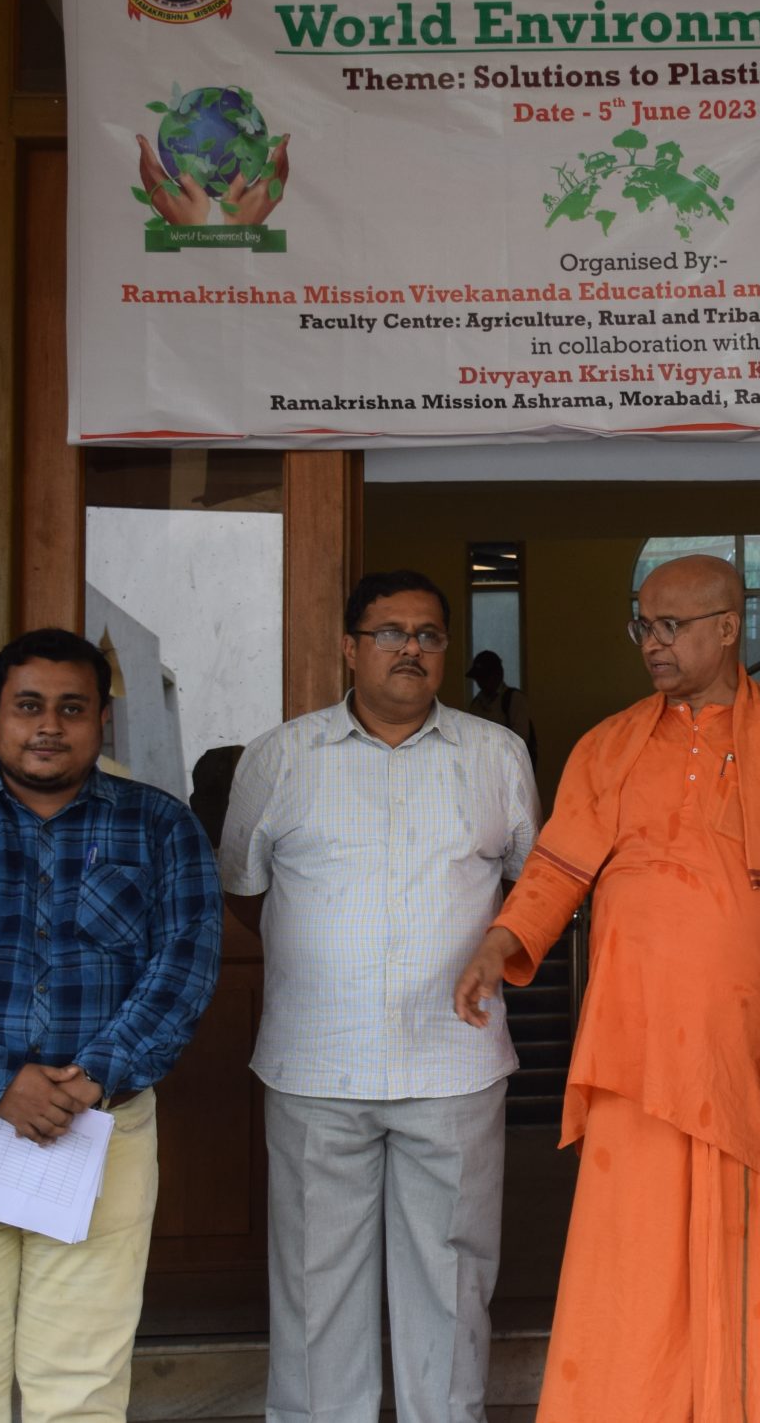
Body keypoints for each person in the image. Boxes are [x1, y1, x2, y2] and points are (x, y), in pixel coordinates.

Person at [451, 552, 760, 1421]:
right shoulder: (608, 744)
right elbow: (556, 869)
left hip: (754, 1041)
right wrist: (498, 944)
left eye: (671, 625)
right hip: (634, 1041)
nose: (652, 643)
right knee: (630, 1252)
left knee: (750, 1249)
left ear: (728, 628)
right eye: (643, 626)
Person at [0, 627, 222, 1423]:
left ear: (102, 720)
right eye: (29, 705)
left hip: (101, 1126)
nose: (49, 725)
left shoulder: (160, 827)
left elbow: (184, 967)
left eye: (72, 707)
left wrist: (92, 1078)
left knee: (80, 1383)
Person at [221, 571, 538, 1423]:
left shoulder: (495, 754)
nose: (410, 648)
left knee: (453, 1280)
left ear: (446, 650)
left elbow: (530, 890)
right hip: (316, 1062)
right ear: (349, 647)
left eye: (428, 634)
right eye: (390, 632)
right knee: (315, 1283)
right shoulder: (281, 756)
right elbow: (245, 891)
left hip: (454, 1062)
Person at [465, 649, 538, 763]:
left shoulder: (514, 699)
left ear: (497, 675)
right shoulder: (476, 704)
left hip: (510, 766)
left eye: (484, 677)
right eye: (478, 678)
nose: (480, 682)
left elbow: (520, 740)